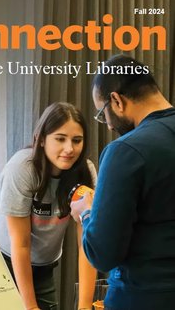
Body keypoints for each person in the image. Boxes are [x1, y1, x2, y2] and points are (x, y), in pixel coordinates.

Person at [70, 54, 175, 310]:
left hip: (143, 297)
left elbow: (103, 254)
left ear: (116, 100)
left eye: (102, 113)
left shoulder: (126, 151)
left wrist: (86, 213)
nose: (107, 125)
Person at [0, 102, 97, 310]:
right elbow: (20, 243)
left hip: (43, 265)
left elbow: (87, 242)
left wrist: (84, 306)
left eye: (77, 140)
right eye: (60, 139)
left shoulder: (85, 172)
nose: (69, 149)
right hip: (3, 260)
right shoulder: (22, 168)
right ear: (41, 140)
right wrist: (31, 307)